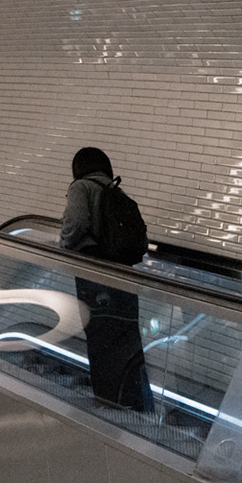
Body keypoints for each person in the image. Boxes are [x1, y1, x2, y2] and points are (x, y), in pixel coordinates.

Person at [58, 147, 152, 411]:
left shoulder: (81, 187)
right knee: (128, 344)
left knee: (102, 344)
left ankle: (109, 406)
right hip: (123, 279)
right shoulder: (117, 192)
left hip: (95, 280)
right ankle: (138, 406)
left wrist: (62, 244)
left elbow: (76, 222)